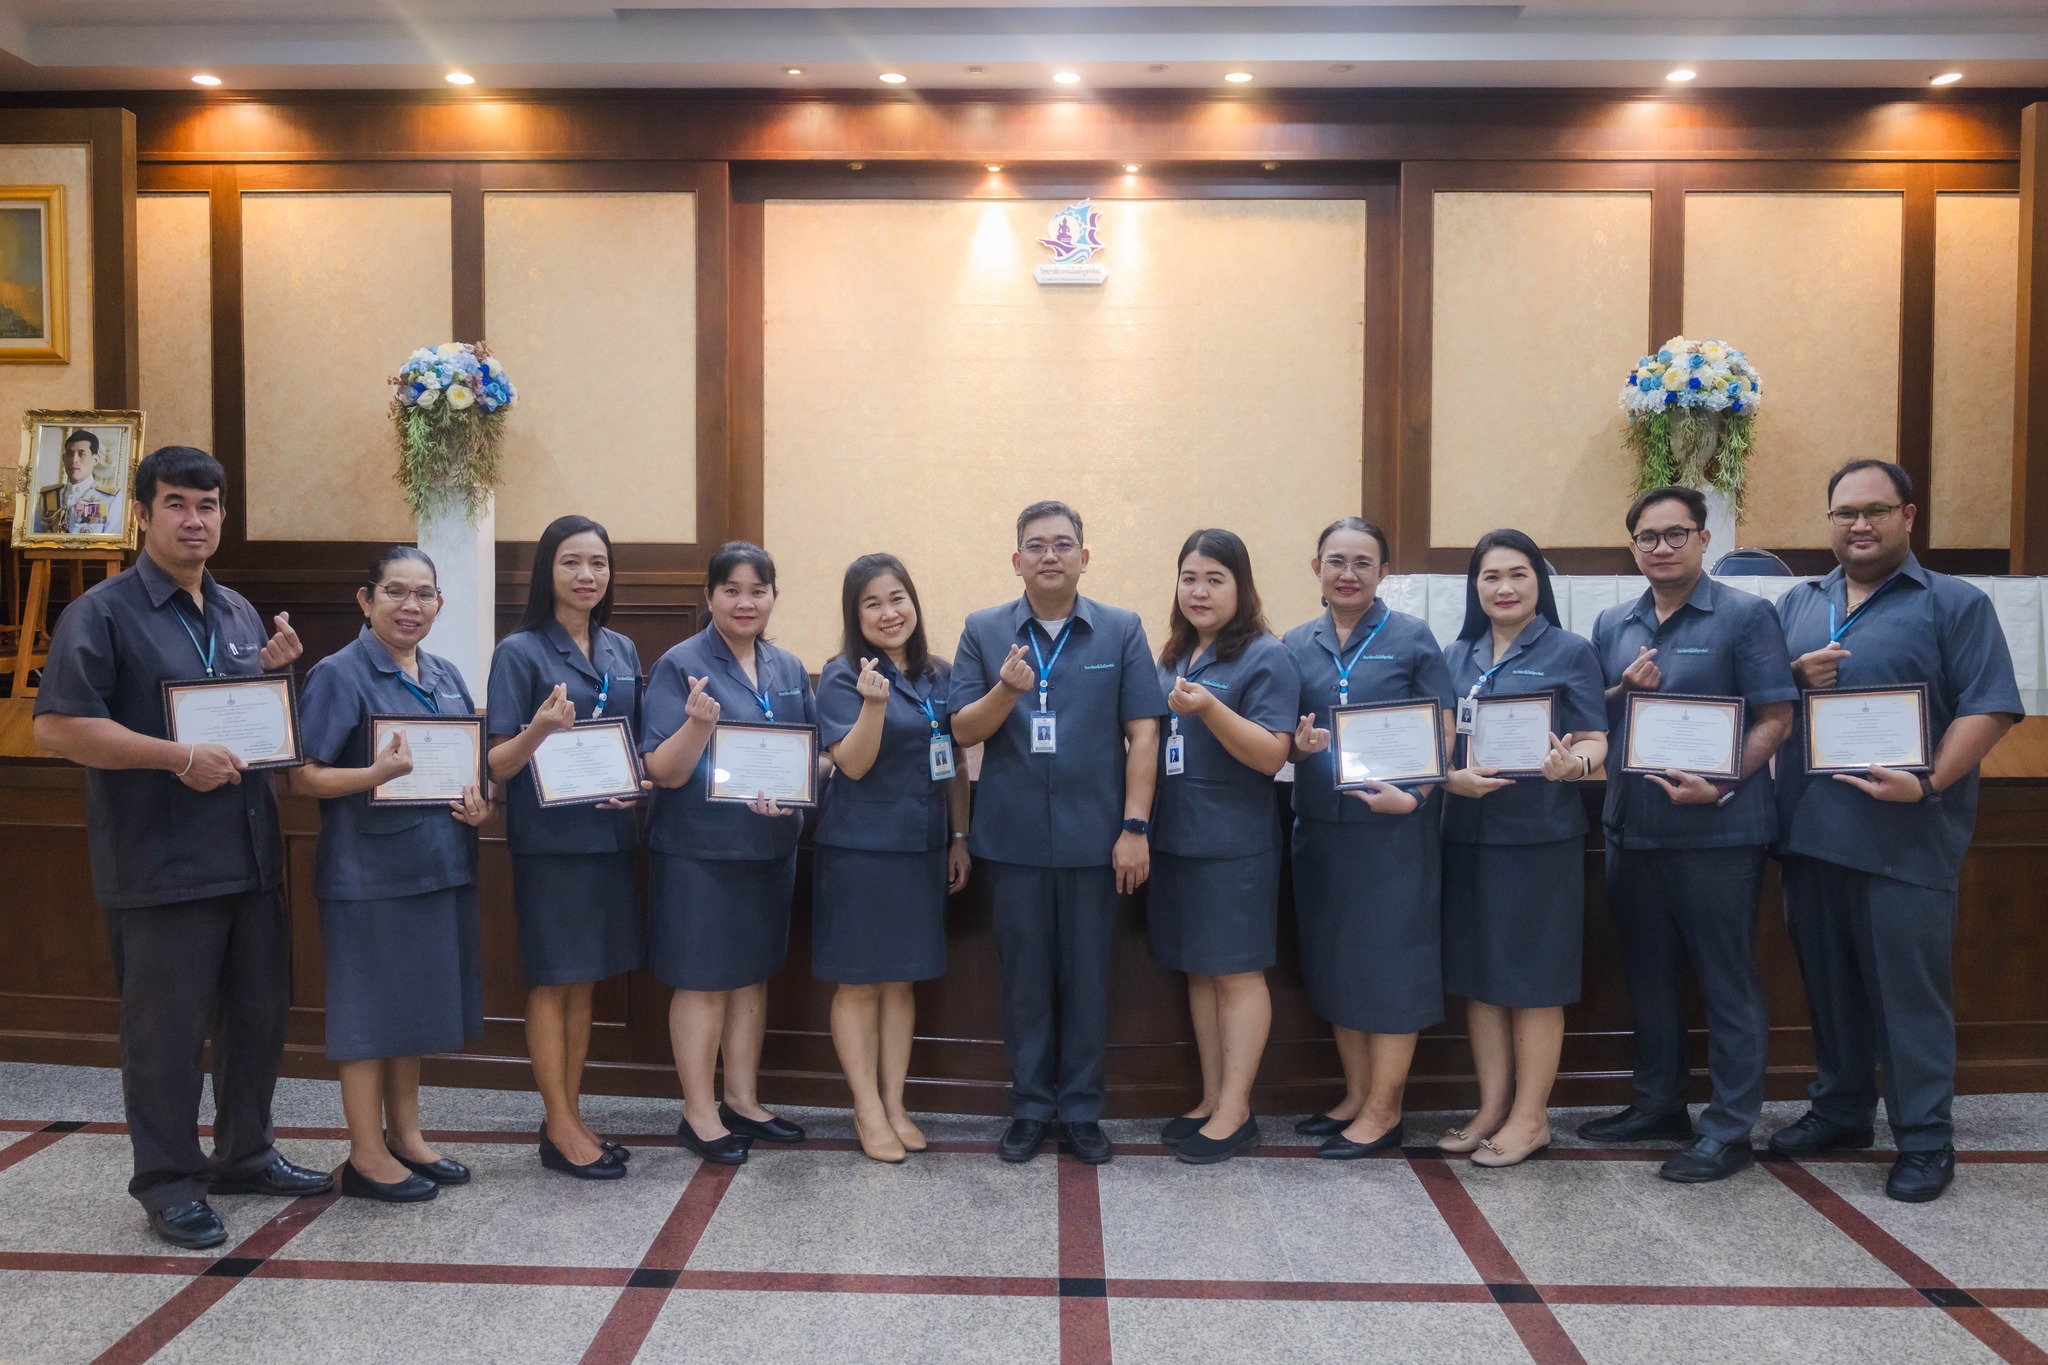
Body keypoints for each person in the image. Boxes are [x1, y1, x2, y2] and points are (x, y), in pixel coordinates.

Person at [31, 445, 328, 1249]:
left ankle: (245, 1152)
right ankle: (168, 1181)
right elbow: (56, 726)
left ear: (224, 516)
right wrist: (175, 756)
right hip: (160, 865)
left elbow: (252, 729)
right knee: (164, 1036)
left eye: (208, 506)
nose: (194, 519)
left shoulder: (235, 611)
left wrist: (278, 679)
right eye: (175, 504)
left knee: (257, 1021)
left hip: (250, 856)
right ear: (142, 513)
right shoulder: (101, 613)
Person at [1769, 460, 2020, 1202]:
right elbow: (1764, 699)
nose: (1860, 524)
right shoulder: (1798, 603)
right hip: (1811, 834)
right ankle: (1842, 1111)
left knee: (1909, 996)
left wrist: (1932, 781)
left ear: (1908, 516)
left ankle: (1924, 1139)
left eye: (1876, 509)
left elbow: (1991, 706)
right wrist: (1790, 676)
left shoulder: (1954, 602)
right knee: (1831, 986)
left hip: (1906, 836)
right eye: (1845, 512)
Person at [1579, 486, 1796, 1183]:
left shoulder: (1746, 615)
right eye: (1648, 536)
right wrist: (1616, 690)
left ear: (1704, 540)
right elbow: (1593, 719)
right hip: (1631, 829)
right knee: (1650, 975)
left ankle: (1730, 1128)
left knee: (1725, 978)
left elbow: (1775, 718)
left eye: (1676, 534)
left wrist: (1724, 778)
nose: (1662, 546)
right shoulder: (1614, 623)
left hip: (1718, 832)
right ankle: (1658, 1103)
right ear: (1633, 545)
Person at [950, 500, 1166, 1166]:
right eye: (1036, 545)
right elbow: (961, 728)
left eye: (1063, 543)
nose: (1050, 554)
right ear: (1016, 559)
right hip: (1012, 840)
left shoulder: (1122, 630)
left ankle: (1080, 1110)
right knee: (1023, 983)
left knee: (1087, 980)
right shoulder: (983, 630)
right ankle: (1029, 1108)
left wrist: (1135, 825)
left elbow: (1144, 732)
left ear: (1084, 557)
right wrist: (1006, 692)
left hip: (1096, 841)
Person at [290, 548, 488, 1203]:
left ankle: (408, 1136)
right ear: (365, 599)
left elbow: (465, 765)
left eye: (424, 594)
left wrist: (478, 800)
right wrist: (374, 776)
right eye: (396, 592)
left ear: (438, 603)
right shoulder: (339, 674)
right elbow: (303, 774)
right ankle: (367, 1154)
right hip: (367, 874)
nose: (411, 605)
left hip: (436, 865)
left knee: (414, 1011)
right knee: (370, 1016)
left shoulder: (445, 673)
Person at [1283, 518, 1455, 1159]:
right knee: (1336, 964)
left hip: (1394, 833)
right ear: (1316, 567)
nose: (1348, 573)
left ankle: (1385, 1111)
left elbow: (1442, 730)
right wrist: (1296, 749)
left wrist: (1414, 798)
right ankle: (1356, 1095)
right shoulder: (1295, 643)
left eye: (1362, 561)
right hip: (1321, 830)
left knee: (1390, 970)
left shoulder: (1412, 638)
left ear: (1383, 572)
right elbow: (1281, 733)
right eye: (1336, 560)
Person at [642, 541, 817, 1166]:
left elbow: (812, 755)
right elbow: (661, 769)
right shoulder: (681, 665)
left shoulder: (789, 668)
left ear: (773, 596)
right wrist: (696, 726)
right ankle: (698, 1110)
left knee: (751, 975)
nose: (746, 602)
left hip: (770, 847)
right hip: (700, 852)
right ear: (710, 597)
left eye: (758, 590)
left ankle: (743, 1099)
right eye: (732, 590)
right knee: (702, 981)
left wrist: (797, 792)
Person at [1437, 530, 1607, 1167]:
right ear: (1474, 587)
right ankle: (1491, 1107)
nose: (1504, 588)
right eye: (1490, 577)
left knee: (1534, 981)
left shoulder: (1570, 650)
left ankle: (1531, 1117)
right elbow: (1438, 743)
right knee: (1481, 979)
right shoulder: (1456, 655)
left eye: (1518, 575)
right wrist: (1447, 776)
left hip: (1540, 837)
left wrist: (1576, 766)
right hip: (1467, 835)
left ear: (1540, 582)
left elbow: (1595, 737)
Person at [487, 515, 647, 1181]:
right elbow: (496, 762)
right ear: (548, 571)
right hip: (551, 842)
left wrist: (637, 784)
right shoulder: (519, 651)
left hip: (609, 838)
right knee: (554, 980)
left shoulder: (623, 650)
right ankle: (557, 1122)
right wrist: (540, 729)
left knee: (584, 981)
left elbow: (634, 742)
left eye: (599, 563)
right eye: (572, 562)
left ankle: (571, 1116)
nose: (587, 575)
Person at [811, 554, 972, 1164]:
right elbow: (851, 763)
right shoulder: (840, 674)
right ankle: (866, 1107)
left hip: (922, 847)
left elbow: (952, 760)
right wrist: (874, 706)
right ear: (856, 614)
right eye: (872, 602)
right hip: (859, 850)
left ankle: (895, 1101)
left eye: (897, 597)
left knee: (901, 981)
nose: (888, 612)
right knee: (859, 983)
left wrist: (960, 837)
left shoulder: (940, 673)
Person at [1148, 530, 1297, 1165]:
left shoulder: (1265, 655)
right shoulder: (1173, 654)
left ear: (1241, 586)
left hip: (1235, 844)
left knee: (1236, 972)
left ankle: (1237, 1109)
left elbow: (1271, 754)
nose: (1199, 591)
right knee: (1200, 970)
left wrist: (1210, 709)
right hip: (1176, 837)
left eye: (1215, 579)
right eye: (1189, 578)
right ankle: (1211, 1098)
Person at [35, 428, 124, 537]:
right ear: (63, 458)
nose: (74, 460)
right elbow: (34, 538)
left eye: (81, 454)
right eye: (69, 454)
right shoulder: (48, 496)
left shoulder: (111, 498)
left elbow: (112, 545)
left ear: (95, 460)